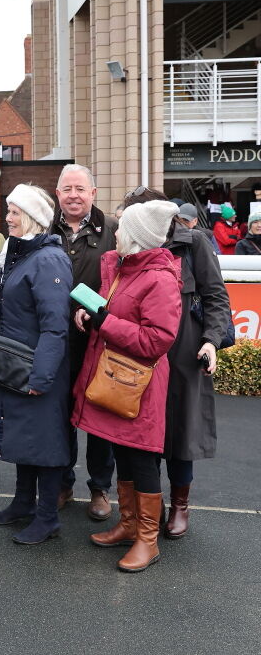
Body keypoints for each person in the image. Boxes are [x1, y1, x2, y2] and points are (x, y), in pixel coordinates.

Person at [71, 200, 183, 572]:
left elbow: (157, 340)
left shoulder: (160, 277)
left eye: (121, 229)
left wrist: (104, 322)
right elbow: (120, 314)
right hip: (121, 380)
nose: (114, 233)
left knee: (141, 457)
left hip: (140, 385)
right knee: (123, 452)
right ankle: (130, 524)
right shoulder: (126, 268)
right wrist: (94, 314)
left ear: (135, 237)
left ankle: (147, 541)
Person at [0, 184, 72, 545]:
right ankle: (23, 504)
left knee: (44, 443)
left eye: (14, 212)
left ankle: (47, 518)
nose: (6, 218)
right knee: (25, 439)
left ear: (33, 218)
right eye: (8, 210)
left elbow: (55, 326)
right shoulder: (20, 253)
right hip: (15, 362)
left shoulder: (48, 260)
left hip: (36, 367)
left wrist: (41, 376)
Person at [125, 187, 231, 540]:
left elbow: (216, 295)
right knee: (144, 432)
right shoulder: (131, 246)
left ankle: (180, 505)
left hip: (185, 351)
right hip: (142, 353)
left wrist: (211, 341)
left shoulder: (195, 242)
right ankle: (147, 507)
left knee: (181, 430)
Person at [52, 164, 119, 519]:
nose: (74, 195)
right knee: (59, 416)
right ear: (58, 194)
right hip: (56, 341)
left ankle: (99, 489)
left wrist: (97, 310)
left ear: (93, 193)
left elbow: (123, 282)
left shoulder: (112, 229)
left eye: (80, 188)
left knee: (98, 416)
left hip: (98, 340)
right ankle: (63, 483)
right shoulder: (46, 228)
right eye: (67, 189)